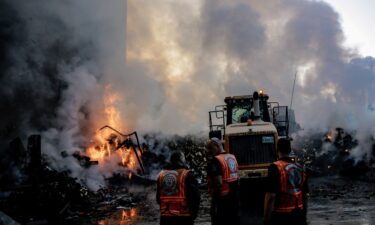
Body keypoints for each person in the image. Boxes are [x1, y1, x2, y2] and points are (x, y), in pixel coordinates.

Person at [263, 138, 308, 225]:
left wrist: (266, 219)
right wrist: (304, 217)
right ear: (290, 150)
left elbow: (270, 196)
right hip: (298, 213)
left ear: (277, 150)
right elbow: (304, 195)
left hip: (282, 216)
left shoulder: (275, 167)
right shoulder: (300, 167)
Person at [156, 151, 200, 225]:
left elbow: (158, 199)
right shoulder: (187, 174)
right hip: (183, 217)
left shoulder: (161, 175)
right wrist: (194, 215)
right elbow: (195, 198)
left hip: (165, 218)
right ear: (182, 160)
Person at [206, 137, 240, 225]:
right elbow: (237, 177)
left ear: (216, 146)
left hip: (222, 201)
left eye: (210, 148)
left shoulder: (216, 160)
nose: (208, 151)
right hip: (234, 199)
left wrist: (214, 203)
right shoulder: (232, 157)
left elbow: (219, 182)